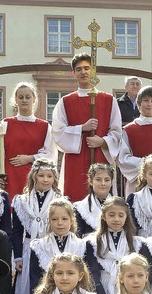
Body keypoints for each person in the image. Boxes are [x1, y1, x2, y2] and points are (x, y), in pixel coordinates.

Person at [52, 52, 122, 201]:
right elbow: (57, 132)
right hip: (75, 160)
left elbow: (117, 132)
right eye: (79, 69)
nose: (83, 72)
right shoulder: (65, 102)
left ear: (93, 70)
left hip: (101, 156)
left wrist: (102, 141)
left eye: (87, 68)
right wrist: (81, 128)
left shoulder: (109, 100)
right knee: (75, 199)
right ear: (73, 73)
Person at [11, 159, 61, 294]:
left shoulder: (60, 201)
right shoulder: (22, 201)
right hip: (28, 248)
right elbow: (17, 231)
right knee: (27, 285)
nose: (45, 180)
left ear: (54, 178)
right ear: (34, 177)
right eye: (41, 176)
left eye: (49, 176)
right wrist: (18, 256)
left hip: (51, 248)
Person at [0, 81, 57, 198]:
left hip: (34, 176)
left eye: (28, 97)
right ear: (16, 100)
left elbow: (51, 154)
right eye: (21, 97)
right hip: (9, 176)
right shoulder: (6, 124)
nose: (24, 100)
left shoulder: (44, 126)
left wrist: (30, 158)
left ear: (34, 99)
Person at [28, 199, 87, 294]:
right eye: (54, 219)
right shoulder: (39, 246)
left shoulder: (82, 245)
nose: (60, 223)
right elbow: (34, 278)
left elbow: (87, 276)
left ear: (72, 220)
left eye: (64, 219)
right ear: (49, 221)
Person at [85, 197, 143, 294]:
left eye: (121, 215)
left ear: (126, 217)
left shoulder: (136, 243)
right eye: (111, 215)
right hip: (102, 289)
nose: (116, 219)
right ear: (103, 216)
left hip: (128, 288)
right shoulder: (92, 242)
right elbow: (93, 273)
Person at [74, 163, 114, 237]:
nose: (103, 183)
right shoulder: (79, 208)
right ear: (91, 181)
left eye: (107, 180)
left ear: (111, 182)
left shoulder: (120, 206)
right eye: (98, 180)